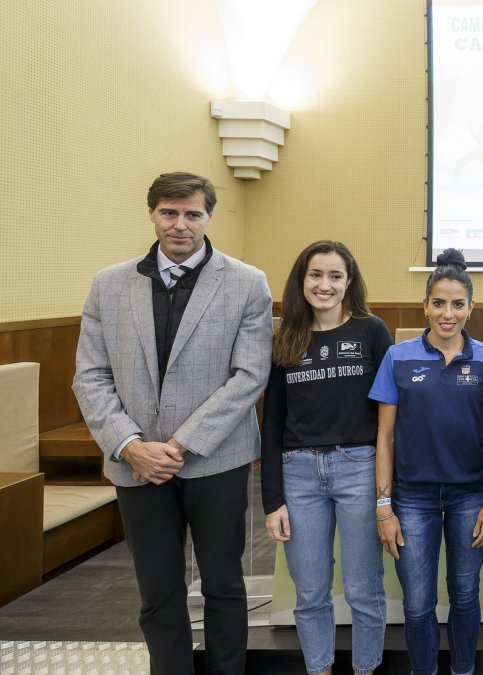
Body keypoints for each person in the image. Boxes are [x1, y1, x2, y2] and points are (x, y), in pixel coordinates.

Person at [72, 172, 273, 674]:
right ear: (152, 214)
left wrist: (181, 443)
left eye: (192, 214)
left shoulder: (247, 282)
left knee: (224, 584)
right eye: (169, 212)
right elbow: (90, 376)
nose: (180, 225)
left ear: (209, 216)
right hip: (136, 464)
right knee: (158, 590)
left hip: (216, 460)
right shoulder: (109, 283)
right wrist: (129, 444)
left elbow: (249, 377)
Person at [370, 249, 483, 675]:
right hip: (412, 499)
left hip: (470, 495)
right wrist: (383, 505)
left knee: (465, 595)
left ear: (471, 307)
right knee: (417, 602)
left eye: (458, 304)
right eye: (439, 303)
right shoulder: (398, 357)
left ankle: (463, 670)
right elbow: (385, 436)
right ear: (425, 305)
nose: (448, 313)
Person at [260, 241, 391, 675]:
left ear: (349, 282)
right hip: (298, 476)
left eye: (335, 276)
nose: (325, 285)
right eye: (316, 275)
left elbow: (391, 419)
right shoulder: (286, 338)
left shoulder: (373, 331)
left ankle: (366, 668)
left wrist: (388, 491)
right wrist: (271, 499)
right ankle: (320, 669)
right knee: (311, 592)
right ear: (302, 280)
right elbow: (273, 423)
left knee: (363, 589)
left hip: (359, 469)